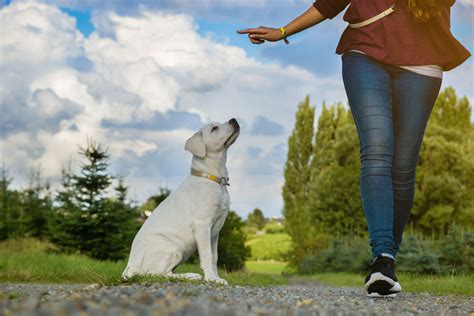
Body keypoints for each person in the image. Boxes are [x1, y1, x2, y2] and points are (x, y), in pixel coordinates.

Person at [237, 0, 470, 298]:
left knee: (403, 166)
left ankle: (388, 260)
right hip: (365, 51)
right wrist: (282, 31)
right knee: (376, 151)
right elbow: (329, 4)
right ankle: (382, 259)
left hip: (422, 60)